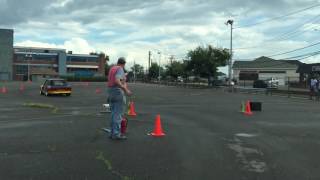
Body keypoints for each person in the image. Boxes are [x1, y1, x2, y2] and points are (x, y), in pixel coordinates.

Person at [107, 57, 132, 140]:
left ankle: (112, 133)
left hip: (110, 92)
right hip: (117, 92)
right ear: (123, 64)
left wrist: (123, 77)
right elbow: (117, 81)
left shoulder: (112, 68)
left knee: (113, 113)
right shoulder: (120, 69)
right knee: (118, 114)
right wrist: (126, 90)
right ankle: (116, 134)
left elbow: (115, 79)